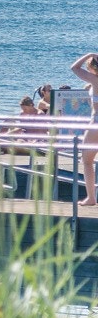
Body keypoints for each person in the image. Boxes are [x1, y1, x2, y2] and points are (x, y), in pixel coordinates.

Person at [70, 53, 98, 205]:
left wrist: (91, 54)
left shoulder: (94, 79)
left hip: (96, 124)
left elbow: (74, 67)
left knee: (87, 160)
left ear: (92, 67)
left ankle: (91, 198)